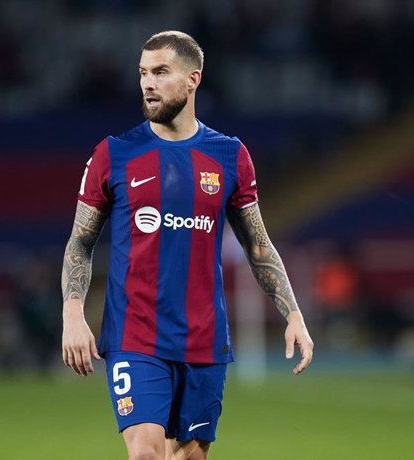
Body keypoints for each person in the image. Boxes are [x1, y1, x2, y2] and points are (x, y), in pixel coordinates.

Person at [61, 31, 314, 460]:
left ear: (193, 79)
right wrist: (72, 313)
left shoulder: (230, 156)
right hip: (134, 334)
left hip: (204, 337)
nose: (147, 83)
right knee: (146, 453)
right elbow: (79, 243)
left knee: (191, 456)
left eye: (161, 72)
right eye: (143, 73)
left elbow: (258, 246)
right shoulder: (114, 154)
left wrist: (293, 314)